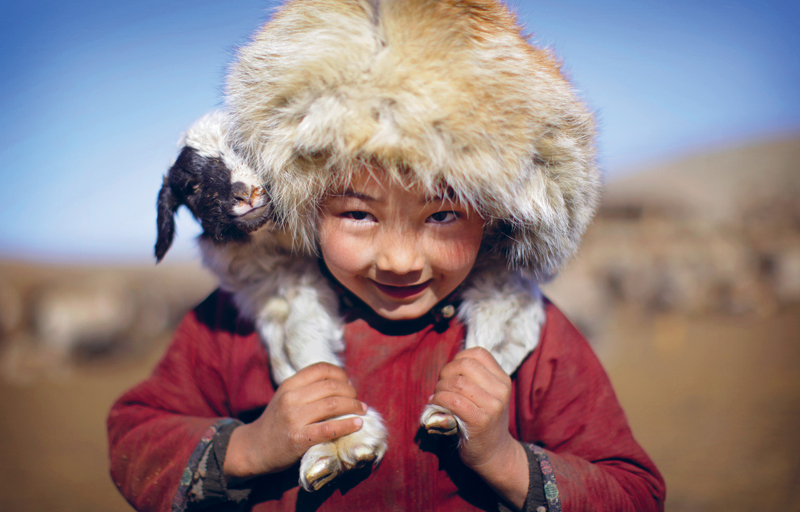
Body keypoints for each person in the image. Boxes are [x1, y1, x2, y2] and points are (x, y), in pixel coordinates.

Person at [107, 0, 666, 511]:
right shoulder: (234, 324)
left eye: (443, 214)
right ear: (300, 204)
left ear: (497, 215)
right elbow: (135, 435)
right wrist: (252, 447)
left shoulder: (536, 342)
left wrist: (506, 460)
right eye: (357, 213)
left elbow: (634, 493)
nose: (400, 260)